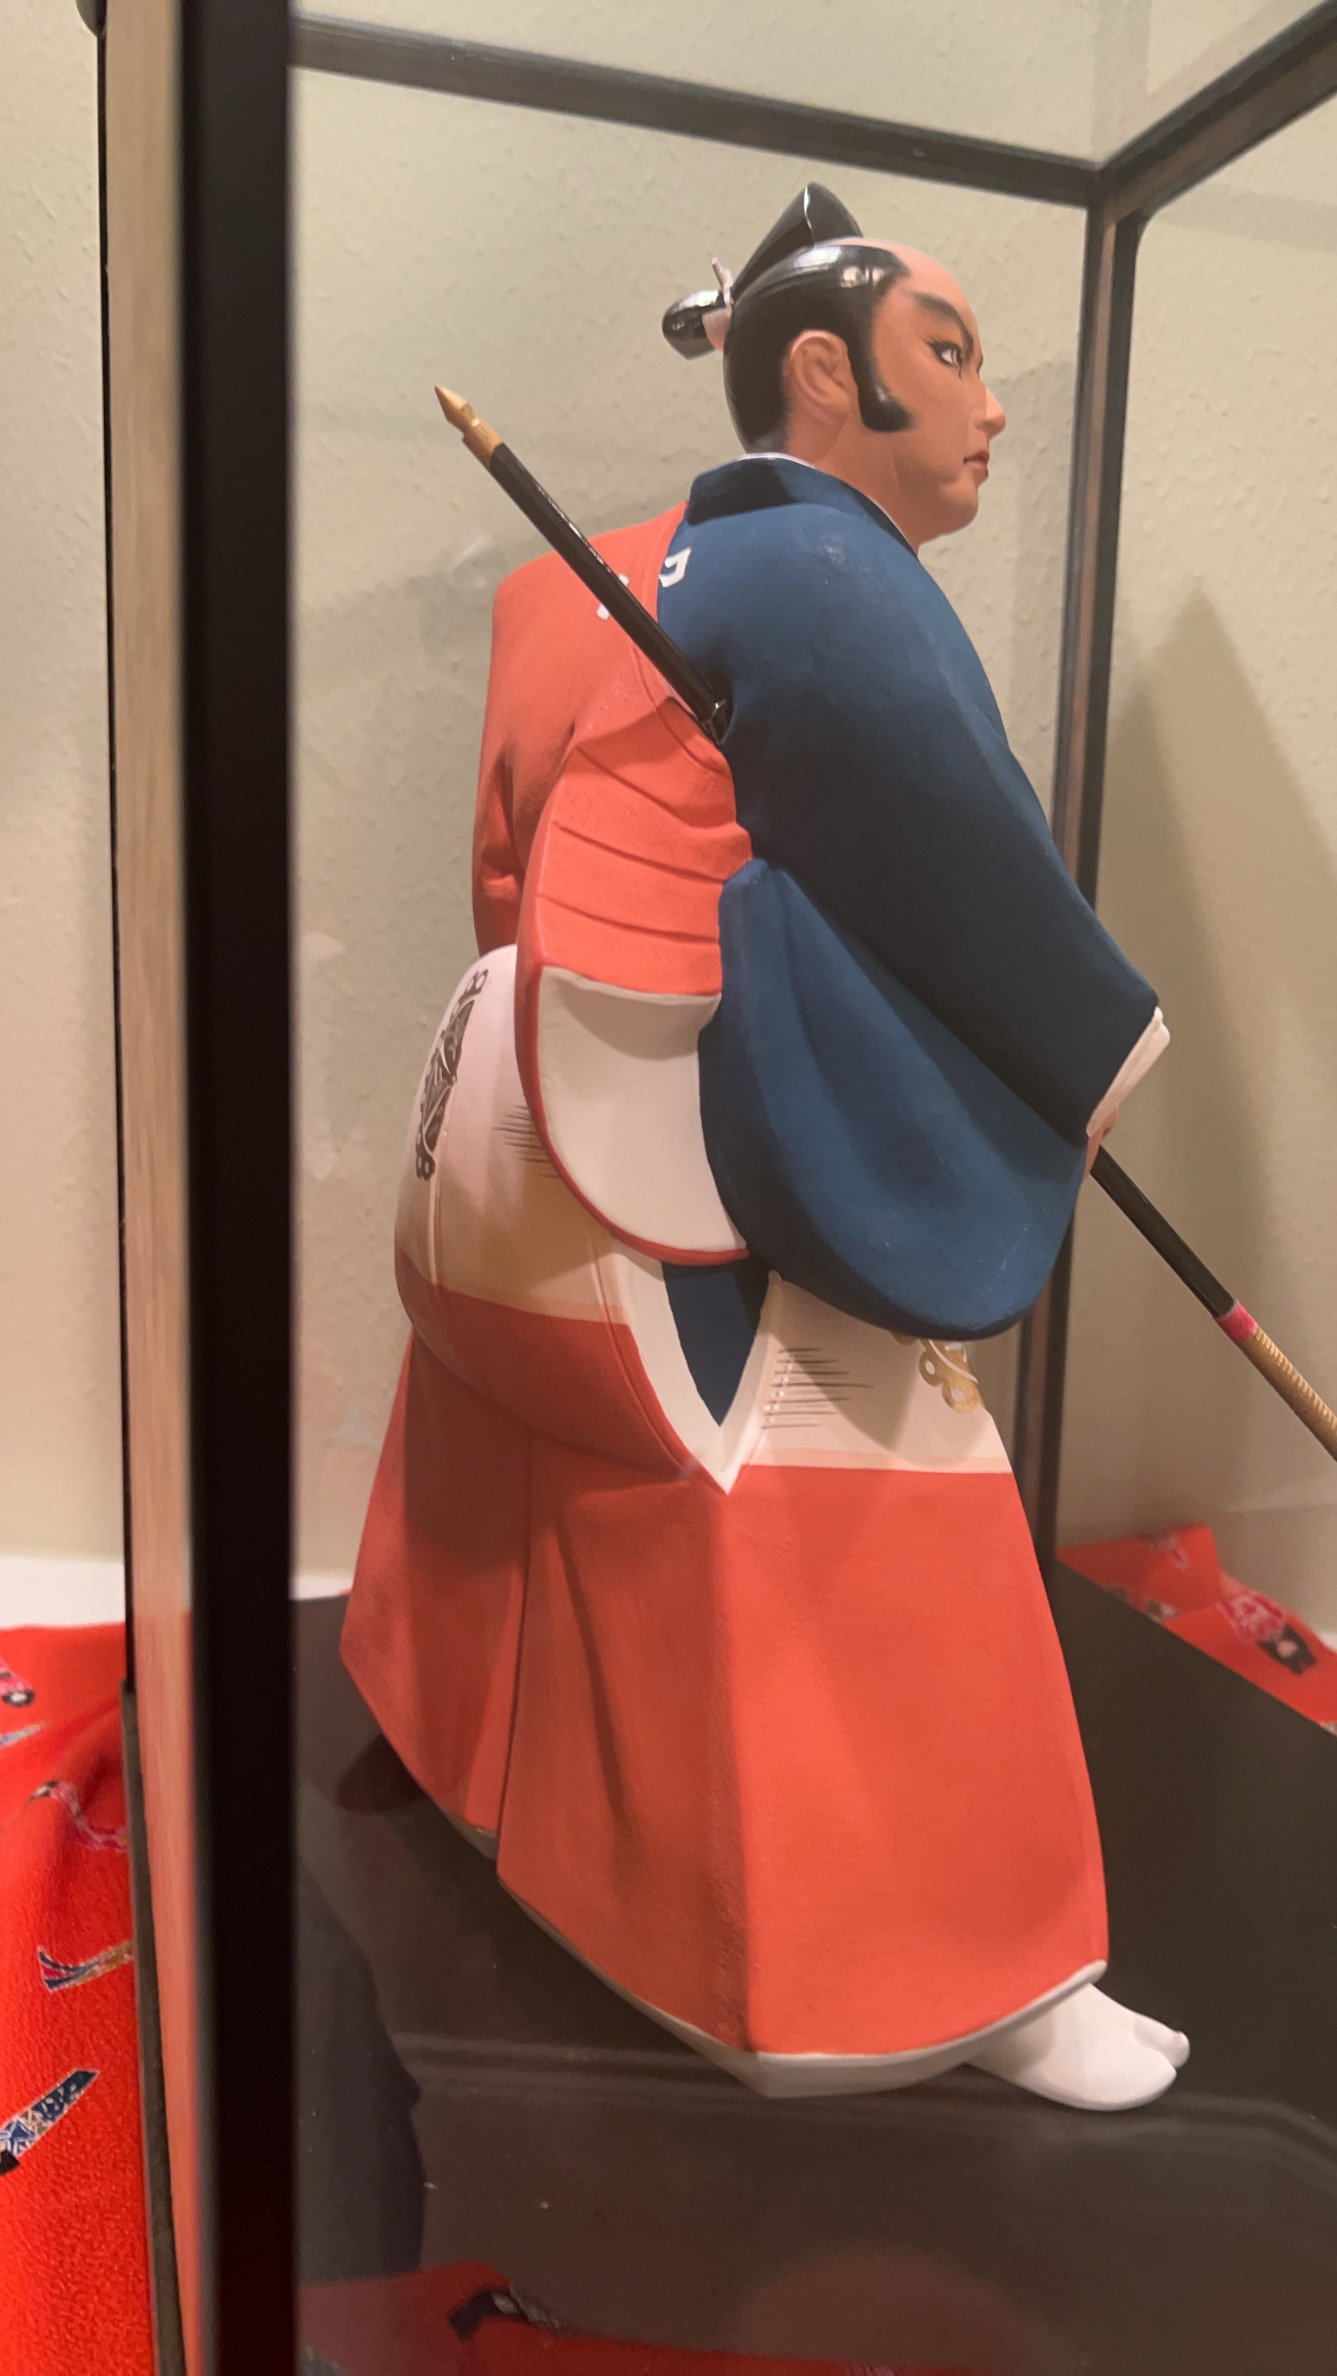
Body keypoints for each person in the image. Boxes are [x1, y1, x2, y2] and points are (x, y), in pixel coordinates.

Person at [342, 187, 1187, 2108]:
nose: (987, 405)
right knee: (885, 1508)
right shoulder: (821, 569)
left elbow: (500, 861)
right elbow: (963, 872)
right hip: (707, 1155)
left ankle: (464, 1768)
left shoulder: (576, 582)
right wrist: (1093, 1058)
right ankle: (961, 1981)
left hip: (534, 1100)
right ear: (824, 370)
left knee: (512, 1435)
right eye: (948, 354)